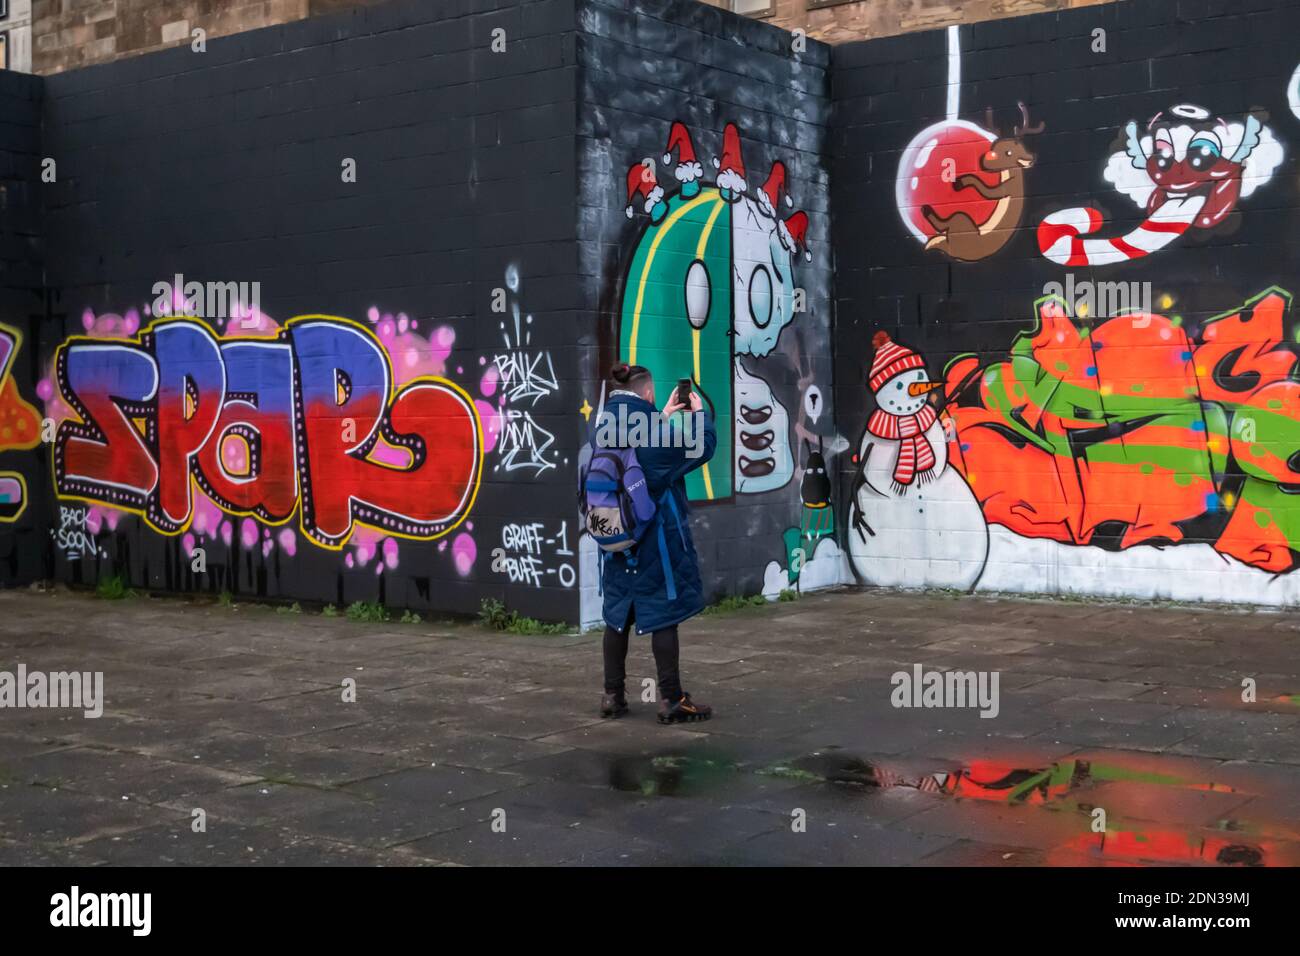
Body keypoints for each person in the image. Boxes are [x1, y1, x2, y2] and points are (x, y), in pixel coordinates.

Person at [594, 363, 716, 724]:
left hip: (615, 537)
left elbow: (636, 447)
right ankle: (672, 699)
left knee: (618, 617)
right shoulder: (655, 434)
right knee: (663, 615)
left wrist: (659, 416)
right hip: (654, 540)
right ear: (647, 392)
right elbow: (701, 449)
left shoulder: (601, 425)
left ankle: (612, 696)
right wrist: (699, 417)